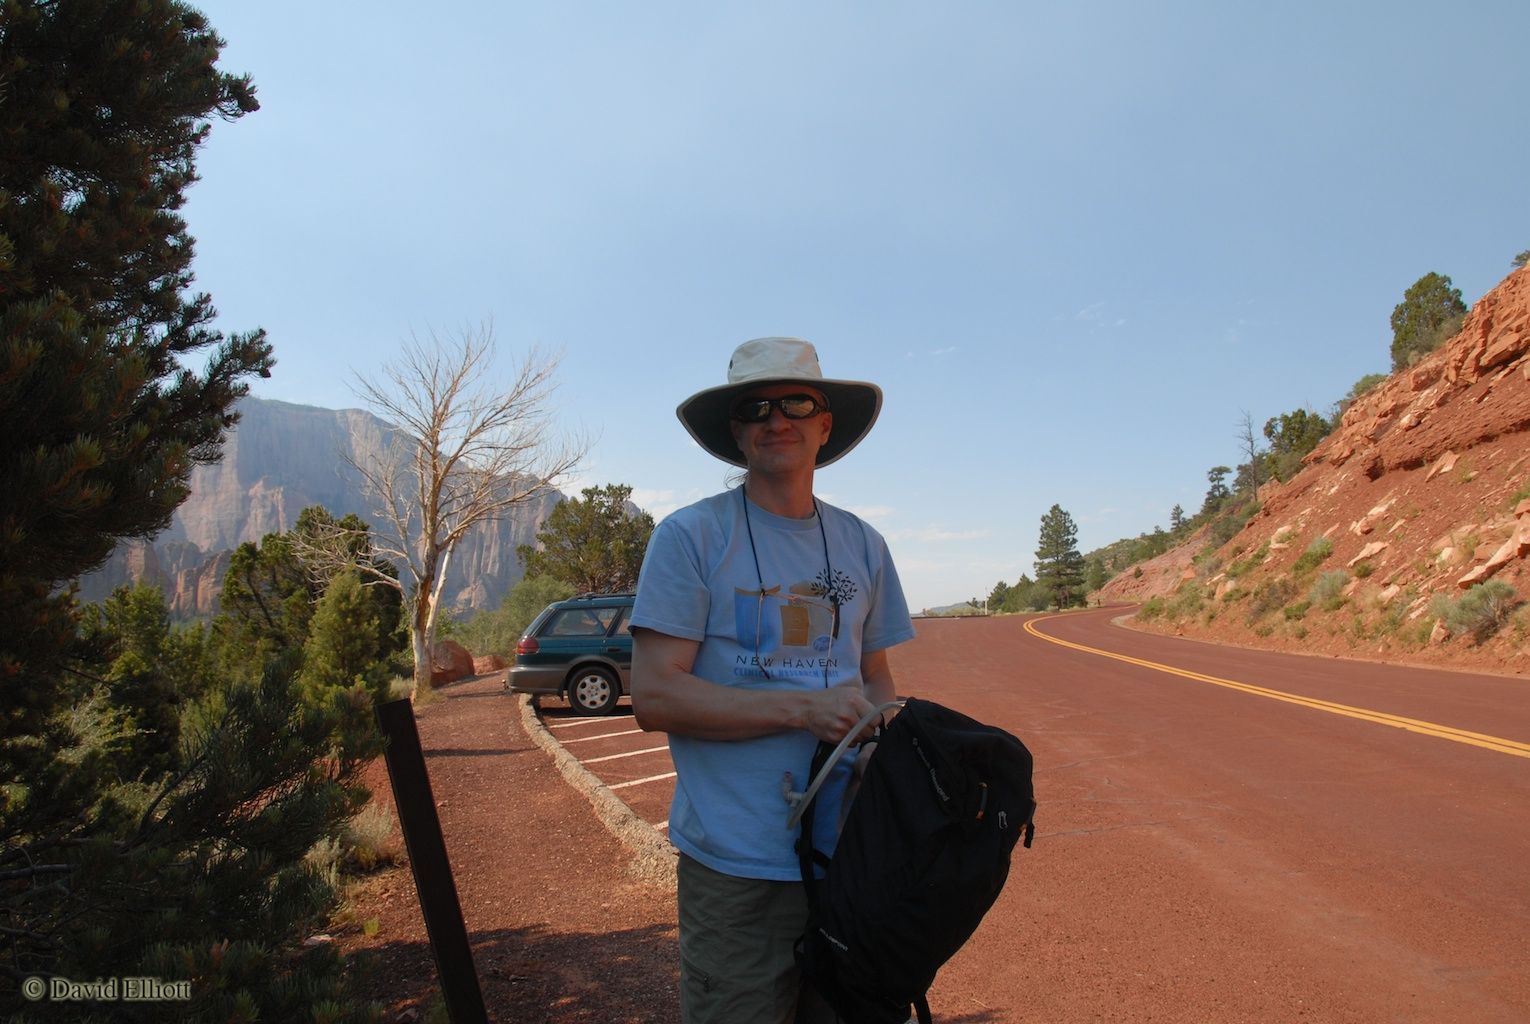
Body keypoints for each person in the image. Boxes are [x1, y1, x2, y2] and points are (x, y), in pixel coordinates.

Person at [629, 336, 916, 1024]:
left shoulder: (863, 544)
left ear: (825, 424)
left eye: (796, 402)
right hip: (736, 871)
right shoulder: (691, 537)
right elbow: (654, 694)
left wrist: (875, 736)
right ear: (736, 431)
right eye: (755, 406)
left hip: (849, 860)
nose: (774, 418)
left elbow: (876, 679)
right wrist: (803, 712)